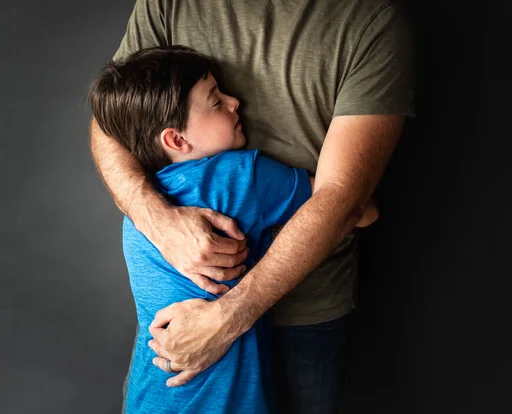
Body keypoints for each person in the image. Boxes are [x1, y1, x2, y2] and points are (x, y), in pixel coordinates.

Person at [90, 1, 414, 413]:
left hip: (158, 385)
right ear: (175, 139)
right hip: (229, 393)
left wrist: (225, 317)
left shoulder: (369, 20)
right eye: (215, 99)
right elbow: (361, 208)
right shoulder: (241, 177)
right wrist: (157, 214)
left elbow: (343, 199)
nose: (235, 101)